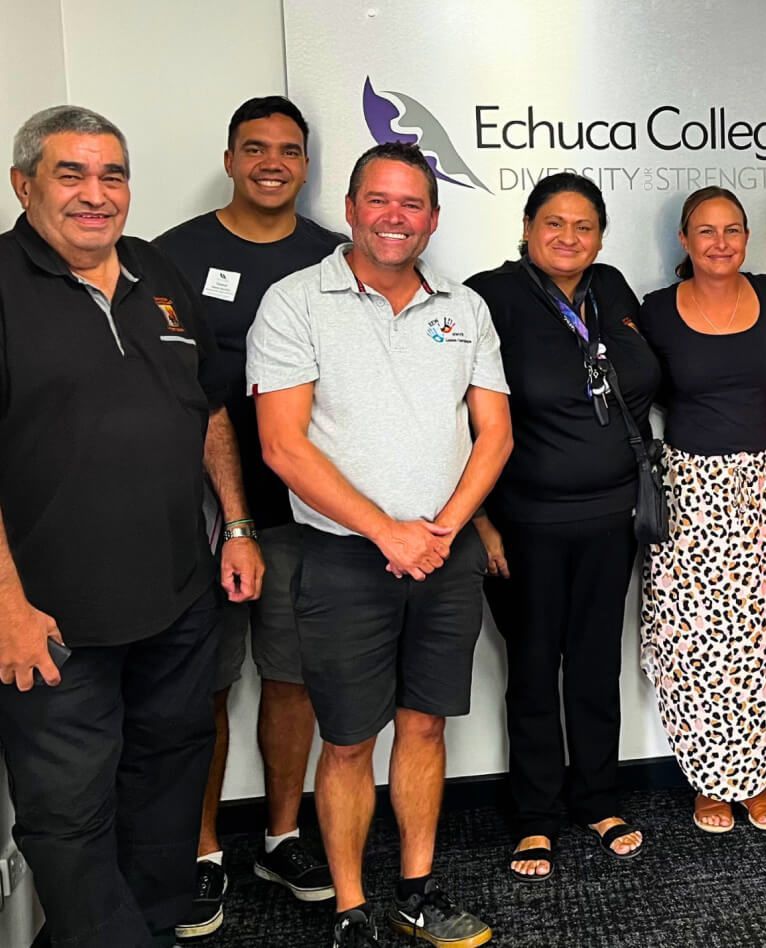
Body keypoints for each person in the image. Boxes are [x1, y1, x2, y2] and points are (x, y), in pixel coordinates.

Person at [0, 105, 263, 947]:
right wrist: (6, 604)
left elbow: (209, 408)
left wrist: (238, 524)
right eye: (70, 174)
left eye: (111, 174)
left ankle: (145, 929)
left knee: (167, 783)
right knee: (68, 813)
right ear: (23, 184)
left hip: (179, 599)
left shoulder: (156, 271)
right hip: (51, 619)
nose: (95, 194)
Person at [248, 142, 511, 948]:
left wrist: (442, 530)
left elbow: (494, 435)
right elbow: (283, 447)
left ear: (433, 218)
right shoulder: (294, 303)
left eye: (412, 204)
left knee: (426, 727)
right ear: (354, 207)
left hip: (444, 557)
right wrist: (385, 531)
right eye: (379, 200)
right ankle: (352, 910)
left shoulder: (462, 309)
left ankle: (417, 893)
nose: (395, 217)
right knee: (350, 738)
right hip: (343, 559)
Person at [155, 95, 343, 939]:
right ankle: (201, 853)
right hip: (200, 514)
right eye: (256, 148)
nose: (274, 162)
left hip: (304, 511)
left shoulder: (335, 261)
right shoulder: (170, 258)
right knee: (205, 684)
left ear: (306, 166)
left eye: (290, 150)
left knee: (293, 676)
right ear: (229, 158)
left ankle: (281, 835)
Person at [466, 173, 660, 881]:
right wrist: (481, 521)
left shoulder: (611, 287)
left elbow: (638, 382)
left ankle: (598, 798)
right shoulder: (490, 296)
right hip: (526, 522)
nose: (569, 238)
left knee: (593, 661)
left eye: (583, 226)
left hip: (613, 518)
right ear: (526, 226)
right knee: (533, 668)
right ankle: (535, 816)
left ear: (601, 236)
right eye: (554, 223)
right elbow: (456, 414)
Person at [637, 187, 766, 834]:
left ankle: (755, 778)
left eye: (732, 229)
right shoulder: (654, 312)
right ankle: (708, 783)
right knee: (694, 640)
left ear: (747, 236)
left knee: (762, 640)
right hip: (688, 491)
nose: (720, 242)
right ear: (684, 240)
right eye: (706, 231)